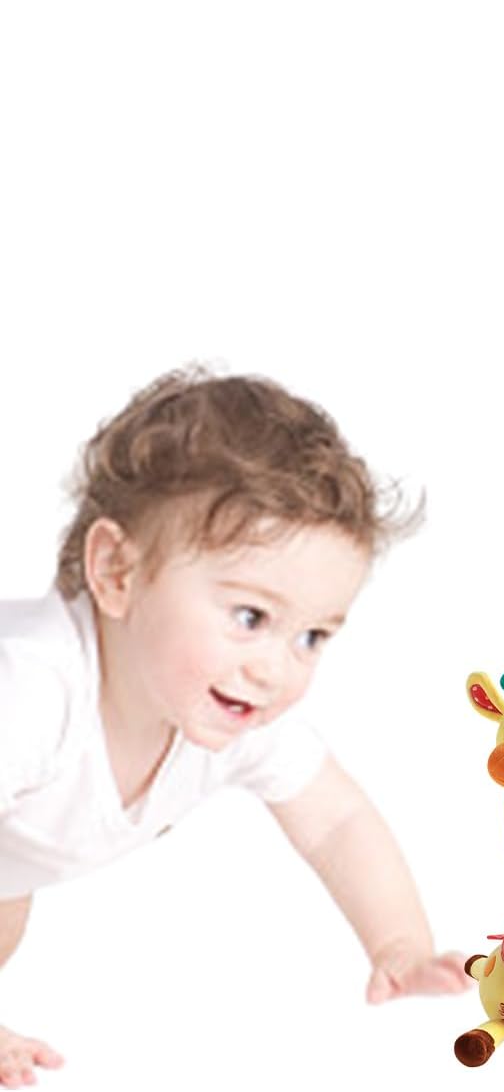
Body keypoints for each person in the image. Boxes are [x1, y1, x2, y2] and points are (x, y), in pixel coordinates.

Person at [0, 369, 467, 1085]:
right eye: (250, 617)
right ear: (117, 572)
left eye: (311, 636)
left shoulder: (228, 707)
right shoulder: (30, 693)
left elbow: (335, 820)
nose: (275, 668)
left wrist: (400, 944)